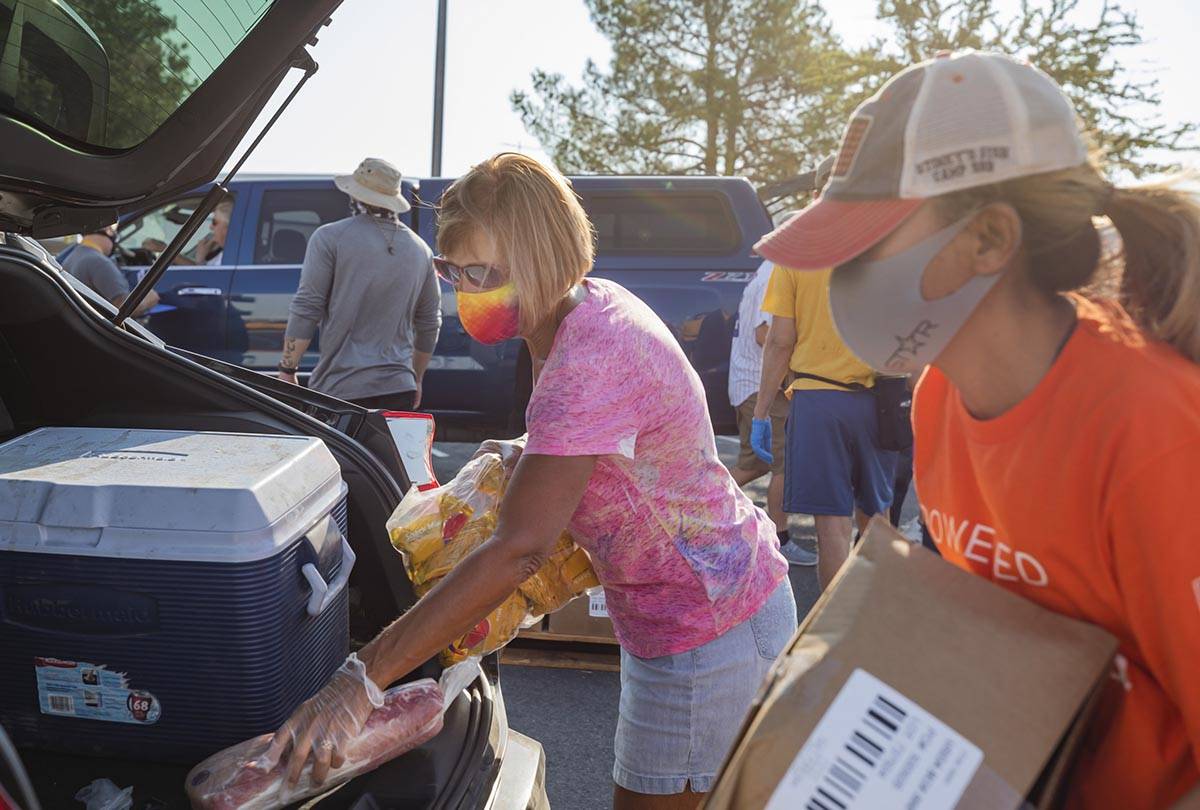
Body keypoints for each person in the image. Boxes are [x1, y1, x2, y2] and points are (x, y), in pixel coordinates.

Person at [262, 154, 795, 810]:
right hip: (687, 610)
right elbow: (600, 441)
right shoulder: (579, 311)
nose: (464, 291)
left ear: (540, 258)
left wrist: (362, 679)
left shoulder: (586, 358)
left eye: (480, 273)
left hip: (711, 623)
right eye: (452, 270)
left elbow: (521, 548)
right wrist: (525, 449)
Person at [756, 49, 1200, 810]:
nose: (840, 276)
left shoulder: (1154, 433)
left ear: (992, 238)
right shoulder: (937, 398)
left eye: (867, 243)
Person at [751, 181, 898, 589]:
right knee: (876, 518)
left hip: (817, 400)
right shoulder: (884, 247)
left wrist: (761, 411)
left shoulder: (797, 251)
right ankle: (877, 620)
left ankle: (831, 636)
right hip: (878, 400)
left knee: (830, 527)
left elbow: (781, 341)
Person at [278, 158, 440, 410]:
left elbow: (307, 307)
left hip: (339, 389)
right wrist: (416, 378)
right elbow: (430, 323)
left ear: (354, 195)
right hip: (400, 388)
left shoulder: (329, 237)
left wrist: (288, 369)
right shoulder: (422, 251)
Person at [728, 250, 816, 566]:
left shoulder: (768, 269)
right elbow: (767, 333)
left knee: (757, 463)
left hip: (751, 381)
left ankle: (695, 504)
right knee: (783, 464)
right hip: (761, 383)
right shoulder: (778, 270)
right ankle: (781, 538)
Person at [61, 224, 159, 316]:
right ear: (108, 230)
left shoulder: (72, 256)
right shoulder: (99, 262)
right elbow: (122, 309)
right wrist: (149, 300)